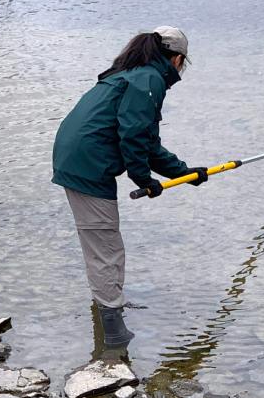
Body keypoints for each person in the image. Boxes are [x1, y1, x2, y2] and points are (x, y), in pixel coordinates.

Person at [52, 26, 208, 347]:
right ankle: (113, 333)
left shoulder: (133, 75)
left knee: (101, 241)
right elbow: (134, 136)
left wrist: (184, 172)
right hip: (88, 162)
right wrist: (144, 180)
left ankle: (108, 311)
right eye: (183, 64)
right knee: (106, 245)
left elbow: (147, 144)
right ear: (177, 59)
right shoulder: (149, 80)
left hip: (78, 155)